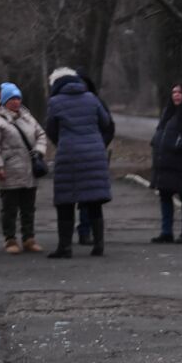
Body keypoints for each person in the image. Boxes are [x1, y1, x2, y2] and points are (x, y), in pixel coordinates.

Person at [44, 67, 112, 258]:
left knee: (65, 201)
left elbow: (50, 128)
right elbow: (105, 122)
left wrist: (63, 141)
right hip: (95, 153)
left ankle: (65, 247)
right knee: (94, 201)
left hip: (69, 155)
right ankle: (98, 245)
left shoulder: (55, 102)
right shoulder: (91, 98)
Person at [0, 82, 47, 254]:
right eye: (12, 99)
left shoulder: (28, 117)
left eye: (18, 98)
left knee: (28, 208)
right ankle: (10, 239)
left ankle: (29, 238)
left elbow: (41, 134)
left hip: (28, 170)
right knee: (10, 209)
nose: (16, 102)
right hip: (8, 170)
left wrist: (39, 152)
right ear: (4, 101)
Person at [149, 84, 182, 244]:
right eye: (173, 92)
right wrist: (156, 142)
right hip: (165, 163)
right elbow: (161, 130)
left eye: (179, 92)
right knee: (165, 196)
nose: (176, 95)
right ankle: (166, 232)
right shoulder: (169, 111)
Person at [74, 71, 115, 247]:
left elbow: (109, 127)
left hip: (91, 154)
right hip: (85, 155)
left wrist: (100, 144)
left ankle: (87, 231)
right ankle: (85, 231)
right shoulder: (92, 102)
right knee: (86, 197)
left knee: (90, 198)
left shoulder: (96, 103)